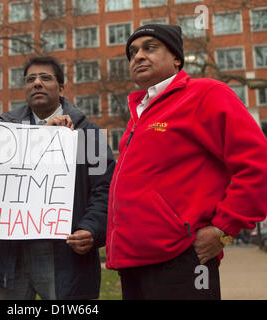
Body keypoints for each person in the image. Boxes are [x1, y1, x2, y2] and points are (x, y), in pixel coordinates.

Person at [106, 24, 267, 300]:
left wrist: (224, 231)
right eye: (132, 52)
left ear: (177, 59)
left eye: (150, 48)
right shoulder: (137, 117)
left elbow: (258, 163)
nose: (138, 56)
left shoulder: (206, 94)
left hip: (182, 260)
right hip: (132, 264)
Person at [0, 56, 116, 300]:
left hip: (64, 255)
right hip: (10, 255)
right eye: (30, 79)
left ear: (62, 88)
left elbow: (105, 190)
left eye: (45, 78)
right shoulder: (4, 130)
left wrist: (91, 229)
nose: (37, 83)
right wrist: (42, 137)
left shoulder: (90, 136)